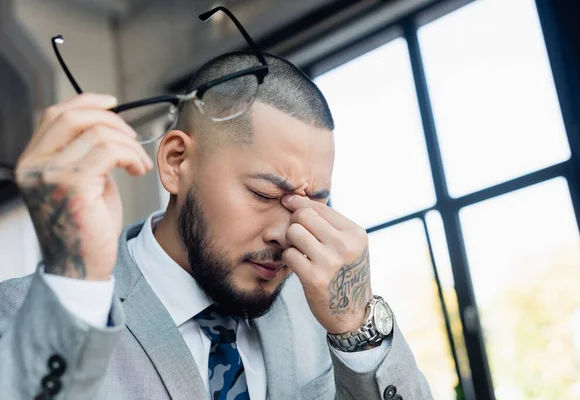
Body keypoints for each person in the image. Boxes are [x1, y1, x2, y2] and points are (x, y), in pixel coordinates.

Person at [0, 47, 433, 399]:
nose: (288, 232)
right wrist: (76, 281)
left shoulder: (320, 311)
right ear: (175, 162)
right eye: (264, 195)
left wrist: (357, 328)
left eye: (316, 202)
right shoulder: (25, 314)